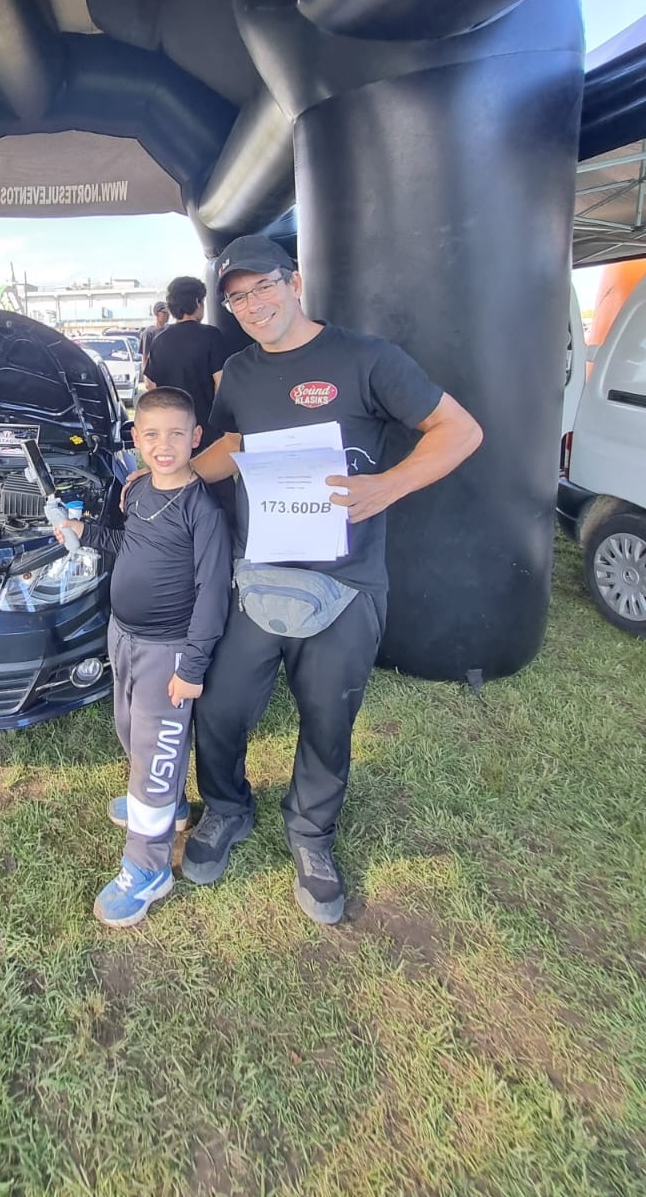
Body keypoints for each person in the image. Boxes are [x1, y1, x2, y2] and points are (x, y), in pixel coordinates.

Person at [173, 235, 483, 925]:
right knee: (219, 706)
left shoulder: (367, 358)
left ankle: (311, 835)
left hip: (347, 582)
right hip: (258, 575)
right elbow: (233, 447)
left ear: (295, 281)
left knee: (328, 717)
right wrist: (171, 479)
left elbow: (458, 430)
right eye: (237, 297)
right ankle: (226, 808)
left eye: (263, 286)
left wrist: (388, 486)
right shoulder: (239, 372)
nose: (252, 304)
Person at [54, 387, 230, 927]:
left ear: (196, 437)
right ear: (135, 439)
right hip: (123, 637)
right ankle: (170, 804)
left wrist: (191, 667)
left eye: (176, 434)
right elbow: (128, 544)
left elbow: (212, 593)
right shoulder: (139, 491)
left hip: (168, 652)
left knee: (155, 756)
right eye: (151, 434)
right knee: (132, 731)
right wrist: (84, 531)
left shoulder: (203, 510)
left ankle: (147, 868)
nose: (164, 445)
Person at [142, 276, 231, 450]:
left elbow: (150, 384)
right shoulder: (211, 336)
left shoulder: (159, 340)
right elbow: (221, 383)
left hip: (172, 430)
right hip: (206, 429)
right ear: (198, 303)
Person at [139, 301, 169, 366]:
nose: (167, 315)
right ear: (156, 313)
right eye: (164, 312)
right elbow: (145, 357)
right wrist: (145, 371)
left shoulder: (169, 331)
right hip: (154, 369)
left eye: (168, 312)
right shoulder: (148, 332)